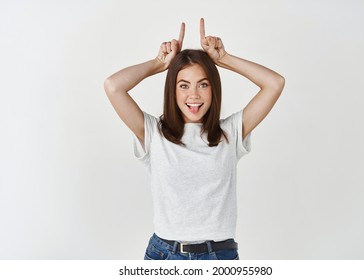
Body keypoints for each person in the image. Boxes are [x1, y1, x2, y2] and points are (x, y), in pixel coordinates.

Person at [104, 18, 285, 260]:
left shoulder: (230, 133)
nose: (193, 95)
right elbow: (113, 86)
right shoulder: (153, 133)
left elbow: (274, 83)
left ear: (214, 89)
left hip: (219, 256)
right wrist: (158, 63)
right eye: (184, 85)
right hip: (165, 255)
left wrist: (224, 59)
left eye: (203, 85)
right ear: (173, 90)